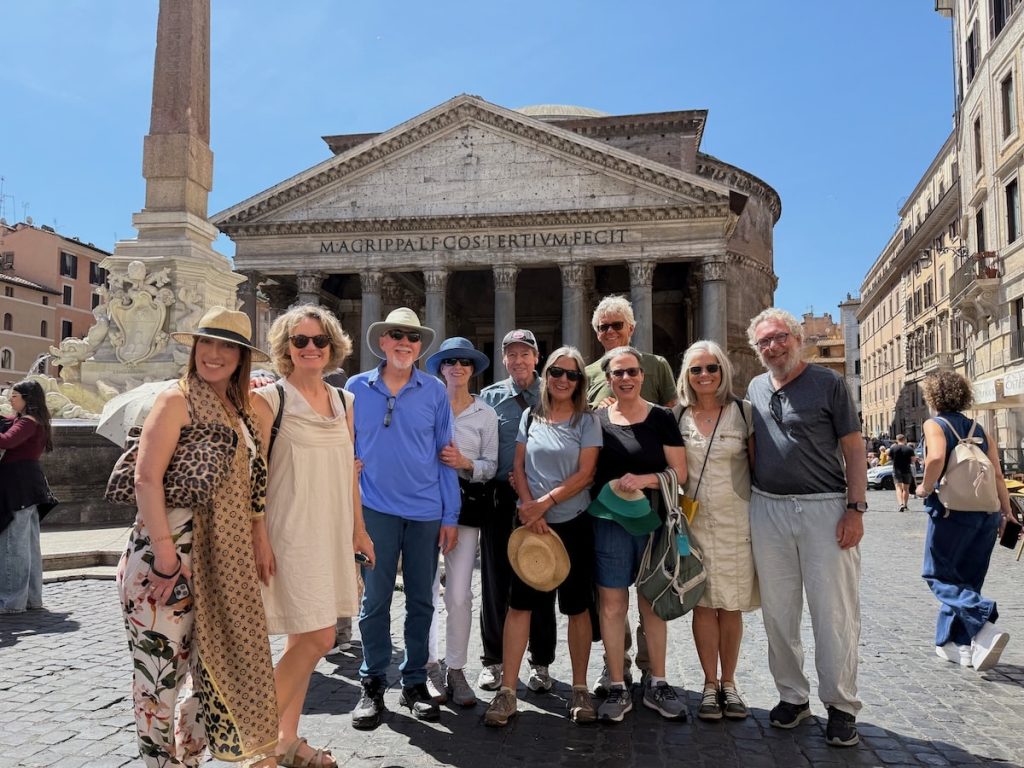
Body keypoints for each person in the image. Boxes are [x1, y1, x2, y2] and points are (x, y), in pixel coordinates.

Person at [116, 306, 279, 768]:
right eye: (207, 342)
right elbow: (146, 480)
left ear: (242, 356)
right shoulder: (176, 399)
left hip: (224, 564)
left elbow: (255, 489)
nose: (214, 353)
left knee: (216, 675)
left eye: (227, 345)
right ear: (194, 347)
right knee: (159, 679)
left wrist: (259, 538)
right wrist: (168, 558)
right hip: (165, 560)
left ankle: (189, 760)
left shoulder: (246, 409)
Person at [252, 305, 374, 767]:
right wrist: (258, 536)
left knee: (302, 642)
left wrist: (359, 530)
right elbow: (254, 477)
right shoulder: (269, 401)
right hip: (289, 532)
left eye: (318, 341)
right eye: (299, 341)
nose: (309, 348)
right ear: (285, 348)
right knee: (321, 638)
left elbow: (349, 473)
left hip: (331, 530)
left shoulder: (346, 401)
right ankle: (254, 738)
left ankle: (284, 742)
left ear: (332, 348)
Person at [745, 308, 866, 748]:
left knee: (833, 611)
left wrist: (855, 508)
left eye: (779, 338)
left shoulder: (829, 384)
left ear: (797, 338)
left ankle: (841, 705)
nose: (773, 347)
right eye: (764, 342)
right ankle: (792, 696)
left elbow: (853, 448)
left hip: (824, 508)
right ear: (757, 350)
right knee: (778, 612)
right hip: (769, 508)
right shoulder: (756, 387)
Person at [346, 307, 460, 728]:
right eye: (396, 335)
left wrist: (450, 514)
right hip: (375, 510)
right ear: (382, 342)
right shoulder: (356, 389)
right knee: (373, 601)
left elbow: (446, 456)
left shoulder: (433, 391)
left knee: (421, 601)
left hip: (426, 512)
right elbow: (341, 447)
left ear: (419, 347)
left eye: (412, 338)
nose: (404, 343)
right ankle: (372, 681)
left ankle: (414, 680)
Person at [484, 347, 601, 728]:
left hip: (572, 522)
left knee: (577, 607)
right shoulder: (530, 416)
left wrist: (542, 505)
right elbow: (517, 465)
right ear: (546, 375)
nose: (563, 380)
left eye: (572, 375)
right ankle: (507, 691)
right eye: (557, 372)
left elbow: (586, 474)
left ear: (580, 382)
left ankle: (580, 689)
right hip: (533, 523)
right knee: (520, 606)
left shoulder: (587, 421)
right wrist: (526, 504)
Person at [584, 294, 676, 695]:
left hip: (650, 504)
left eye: (616, 325)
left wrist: (634, 407)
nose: (609, 332)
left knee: (650, 593)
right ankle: (615, 665)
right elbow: (580, 424)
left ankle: (650, 668)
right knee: (611, 594)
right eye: (603, 327)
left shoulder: (655, 365)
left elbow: (672, 415)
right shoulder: (587, 371)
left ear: (632, 328)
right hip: (607, 503)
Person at [590, 346, 688, 723]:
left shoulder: (662, 417)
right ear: (609, 379)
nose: (626, 378)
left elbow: (680, 472)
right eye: (618, 373)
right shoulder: (597, 420)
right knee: (612, 607)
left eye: (632, 371)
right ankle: (618, 684)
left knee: (651, 604)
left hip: (652, 521)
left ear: (643, 375)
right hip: (608, 523)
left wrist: (646, 479)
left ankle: (657, 682)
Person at [674, 340, 759, 722]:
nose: (705, 375)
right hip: (694, 523)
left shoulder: (744, 413)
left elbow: (760, 469)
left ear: (723, 371)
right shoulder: (678, 416)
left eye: (711, 368)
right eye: (696, 369)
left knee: (731, 605)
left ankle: (730, 682)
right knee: (704, 605)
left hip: (736, 521)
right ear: (686, 376)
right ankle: (710, 685)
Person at [915, 370, 1013, 671]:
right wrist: (1007, 512)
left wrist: (924, 488)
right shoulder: (979, 428)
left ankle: (982, 620)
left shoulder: (936, 423)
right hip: (987, 513)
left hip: (951, 513)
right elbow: (998, 474)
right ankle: (958, 645)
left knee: (938, 576)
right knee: (967, 581)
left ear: (933, 396)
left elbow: (935, 459)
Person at [477, 329, 558, 694]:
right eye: (511, 355)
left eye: (525, 354)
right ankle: (493, 661)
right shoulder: (491, 398)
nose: (518, 361)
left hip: (541, 500)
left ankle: (541, 662)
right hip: (498, 500)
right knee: (495, 583)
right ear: (504, 359)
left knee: (542, 579)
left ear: (537, 358)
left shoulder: (554, 392)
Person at [422, 337, 498, 708]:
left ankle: (456, 667)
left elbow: (491, 467)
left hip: (465, 509)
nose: (457, 367)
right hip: (422, 506)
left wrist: (465, 463)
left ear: (472, 370)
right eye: (450, 361)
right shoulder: (425, 404)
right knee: (426, 593)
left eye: (464, 362)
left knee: (459, 594)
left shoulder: (485, 414)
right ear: (441, 367)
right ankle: (429, 665)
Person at [0, 380, 57, 614]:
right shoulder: (36, 421)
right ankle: (32, 598)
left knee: (14, 545)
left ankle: (11, 602)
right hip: (28, 484)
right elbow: (8, 424)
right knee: (29, 545)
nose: (10, 400)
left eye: (15, 396)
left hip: (18, 486)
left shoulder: (28, 422)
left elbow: (6, 441)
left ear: (27, 399)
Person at [889, 435, 916, 512]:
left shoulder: (893, 448)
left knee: (898, 488)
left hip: (896, 470)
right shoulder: (909, 449)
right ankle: (905, 505)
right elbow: (913, 460)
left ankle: (900, 504)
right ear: (905, 440)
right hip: (906, 470)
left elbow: (889, 458)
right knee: (906, 489)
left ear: (897, 440)